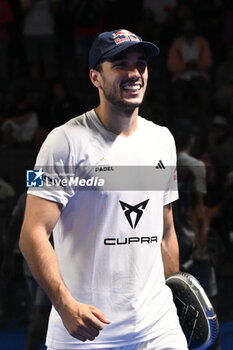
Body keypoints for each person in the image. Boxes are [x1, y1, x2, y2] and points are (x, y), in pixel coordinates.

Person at [19, 29, 188, 349]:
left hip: (157, 327)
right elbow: (31, 233)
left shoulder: (163, 140)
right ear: (95, 77)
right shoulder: (60, 142)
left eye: (141, 64)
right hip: (84, 333)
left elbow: (166, 230)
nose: (135, 73)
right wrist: (65, 306)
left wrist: (174, 296)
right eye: (121, 64)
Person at [167, 17, 212, 118]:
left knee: (203, 91)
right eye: (186, 26)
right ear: (182, 28)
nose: (189, 28)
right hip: (181, 76)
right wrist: (185, 66)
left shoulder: (202, 42)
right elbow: (171, 66)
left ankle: (203, 118)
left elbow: (208, 63)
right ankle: (180, 119)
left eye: (191, 26)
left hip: (200, 75)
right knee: (178, 92)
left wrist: (197, 65)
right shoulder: (176, 44)